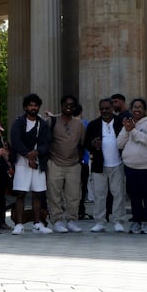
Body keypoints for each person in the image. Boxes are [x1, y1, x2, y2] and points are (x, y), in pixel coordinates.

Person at [9, 94, 53, 234]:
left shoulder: (43, 124)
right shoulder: (18, 122)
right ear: (25, 107)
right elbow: (15, 141)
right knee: (21, 193)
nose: (33, 108)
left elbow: (46, 142)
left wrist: (36, 153)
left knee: (38, 193)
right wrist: (28, 155)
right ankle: (19, 224)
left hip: (38, 161)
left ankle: (37, 223)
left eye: (35, 105)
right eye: (30, 105)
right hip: (22, 162)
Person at [45, 95, 86, 233]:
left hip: (73, 164)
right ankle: (56, 221)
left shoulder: (79, 124)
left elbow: (82, 144)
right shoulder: (51, 121)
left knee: (74, 195)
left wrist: (78, 161)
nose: (68, 107)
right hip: (55, 163)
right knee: (54, 194)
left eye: (72, 105)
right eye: (66, 104)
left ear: (75, 107)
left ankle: (72, 220)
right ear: (61, 105)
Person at [85, 98, 126, 233]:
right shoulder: (93, 124)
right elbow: (86, 143)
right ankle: (100, 222)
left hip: (118, 164)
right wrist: (93, 144)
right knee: (99, 194)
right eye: (102, 109)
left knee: (118, 193)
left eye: (107, 108)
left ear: (112, 108)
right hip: (99, 165)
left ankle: (118, 221)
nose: (104, 111)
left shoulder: (121, 122)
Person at [117, 98, 147, 234]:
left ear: (144, 110)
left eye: (140, 107)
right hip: (130, 167)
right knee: (135, 197)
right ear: (131, 110)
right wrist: (127, 130)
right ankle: (136, 221)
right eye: (134, 107)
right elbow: (119, 144)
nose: (137, 109)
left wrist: (133, 131)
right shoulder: (127, 124)